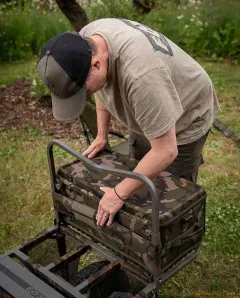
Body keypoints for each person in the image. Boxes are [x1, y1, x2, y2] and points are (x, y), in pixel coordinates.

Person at [37, 18, 219, 228]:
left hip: (188, 110)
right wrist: (101, 135)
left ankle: (175, 242)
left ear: (96, 64)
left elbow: (166, 151)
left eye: (82, 92)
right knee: (141, 173)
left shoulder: (141, 76)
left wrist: (117, 194)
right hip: (152, 99)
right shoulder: (87, 40)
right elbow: (100, 87)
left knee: (171, 193)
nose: (86, 95)